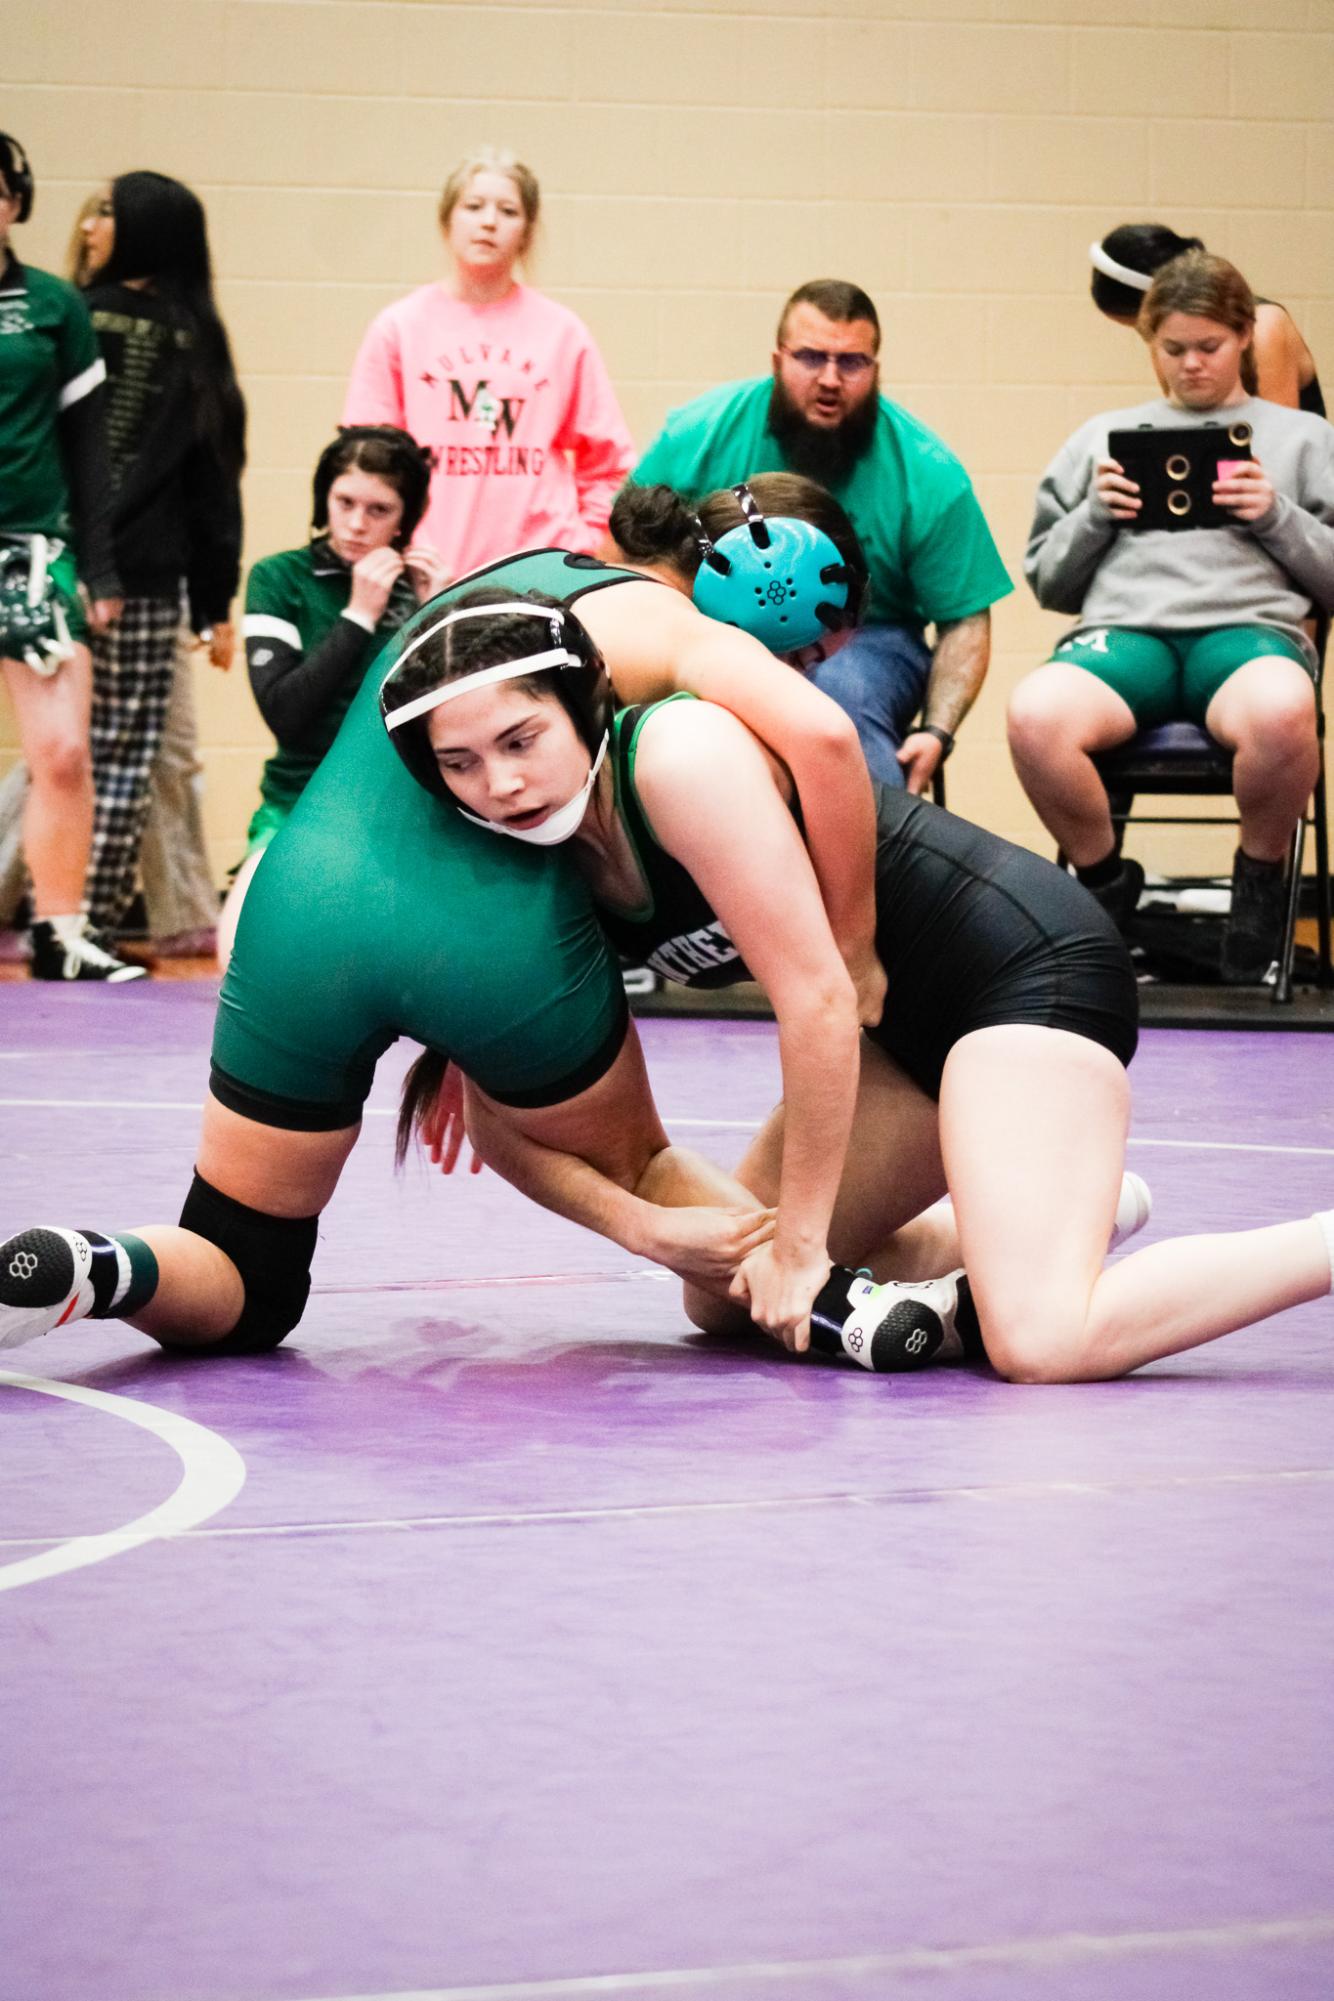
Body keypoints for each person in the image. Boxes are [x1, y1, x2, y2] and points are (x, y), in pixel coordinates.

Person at [383, 482, 1334, 1385]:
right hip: (900, 1032)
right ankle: (1037, 1227)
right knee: (723, 1296)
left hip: (1020, 972)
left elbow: (828, 998)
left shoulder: (677, 757)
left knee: (1043, 1341)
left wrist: (803, 1249)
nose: (503, 783)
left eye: (520, 741)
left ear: (579, 708)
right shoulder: (525, 867)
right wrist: (642, 1225)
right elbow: (504, 1129)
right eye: (463, 761)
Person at [0, 536, 884, 1361]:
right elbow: (821, 733)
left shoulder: (499, 593)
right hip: (496, 937)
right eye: (800, 654)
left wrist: (455, 1043)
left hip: (298, 904)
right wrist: (853, 944)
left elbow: (431, 802)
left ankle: (102, 1265)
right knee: (645, 1171)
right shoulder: (667, 627)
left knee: (248, 1271)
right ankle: (858, 1310)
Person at [1009, 250, 1334, 985]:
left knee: (1286, 710)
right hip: (1127, 637)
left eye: (1209, 347)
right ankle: (1104, 885)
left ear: (1245, 335)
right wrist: (1097, 514)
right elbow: (1049, 582)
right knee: (1034, 715)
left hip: (1247, 637)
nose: (1191, 365)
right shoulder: (1102, 437)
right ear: (1150, 344)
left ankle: (1259, 887)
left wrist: (1275, 515)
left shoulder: (1303, 440)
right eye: (1174, 349)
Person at [630, 278, 1012, 791]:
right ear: (777, 360)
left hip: (865, 636)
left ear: (875, 369)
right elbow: (628, 558)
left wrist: (939, 732)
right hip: (714, 626)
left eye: (852, 362)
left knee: (831, 697)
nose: (830, 379)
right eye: (811, 357)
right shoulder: (699, 433)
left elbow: (965, 619)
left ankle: (874, 850)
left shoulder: (928, 471)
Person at [69, 171, 247, 960]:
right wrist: (214, 600)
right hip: (138, 578)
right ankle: (86, 922)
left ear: (144, 230)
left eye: (107, 211)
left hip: (56, 559)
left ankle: (60, 915)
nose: (88, 225)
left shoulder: (71, 314)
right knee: (120, 754)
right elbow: (215, 485)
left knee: (66, 750)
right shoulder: (192, 337)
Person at [343, 146, 634, 581]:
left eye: (508, 210)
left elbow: (607, 462)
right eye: (474, 207)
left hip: (541, 570)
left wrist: (585, 543)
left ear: (527, 230)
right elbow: (363, 459)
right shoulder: (400, 327)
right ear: (448, 220)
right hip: (428, 570)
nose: (489, 222)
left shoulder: (561, 332)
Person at [0, 133, 143, 982]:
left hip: (34, 550)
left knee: (61, 750)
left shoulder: (56, 306)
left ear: (15, 200)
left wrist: (102, 568)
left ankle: (59, 929)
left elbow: (90, 453)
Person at [217, 425, 441, 960]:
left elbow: (454, 718)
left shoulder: (421, 588)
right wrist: (358, 616)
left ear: (405, 518)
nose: (357, 525)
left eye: (379, 510)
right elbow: (285, 714)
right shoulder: (281, 578)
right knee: (240, 958)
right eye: (344, 502)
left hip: (403, 810)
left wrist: (439, 617)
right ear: (325, 499)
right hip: (300, 802)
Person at [1090, 224, 1324, 416]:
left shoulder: (1263, 328)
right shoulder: (1167, 338)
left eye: (1210, 347)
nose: (1190, 361)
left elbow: (1282, 446)